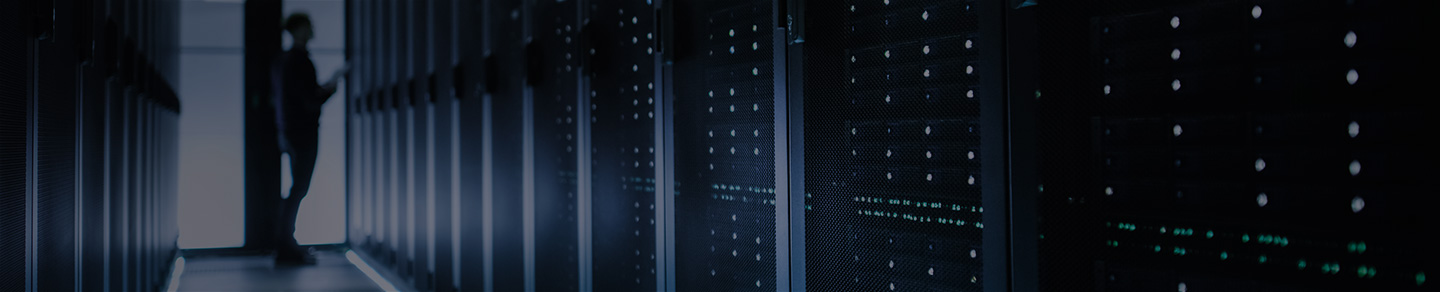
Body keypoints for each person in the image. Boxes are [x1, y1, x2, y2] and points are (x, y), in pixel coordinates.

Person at [271, 12, 344, 265]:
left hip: (289, 131)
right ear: (300, 29)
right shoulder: (300, 61)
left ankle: (286, 243)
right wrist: (332, 86)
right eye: (309, 26)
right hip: (303, 132)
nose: (313, 29)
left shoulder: (283, 60)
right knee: (299, 188)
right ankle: (286, 245)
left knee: (296, 188)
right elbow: (310, 101)